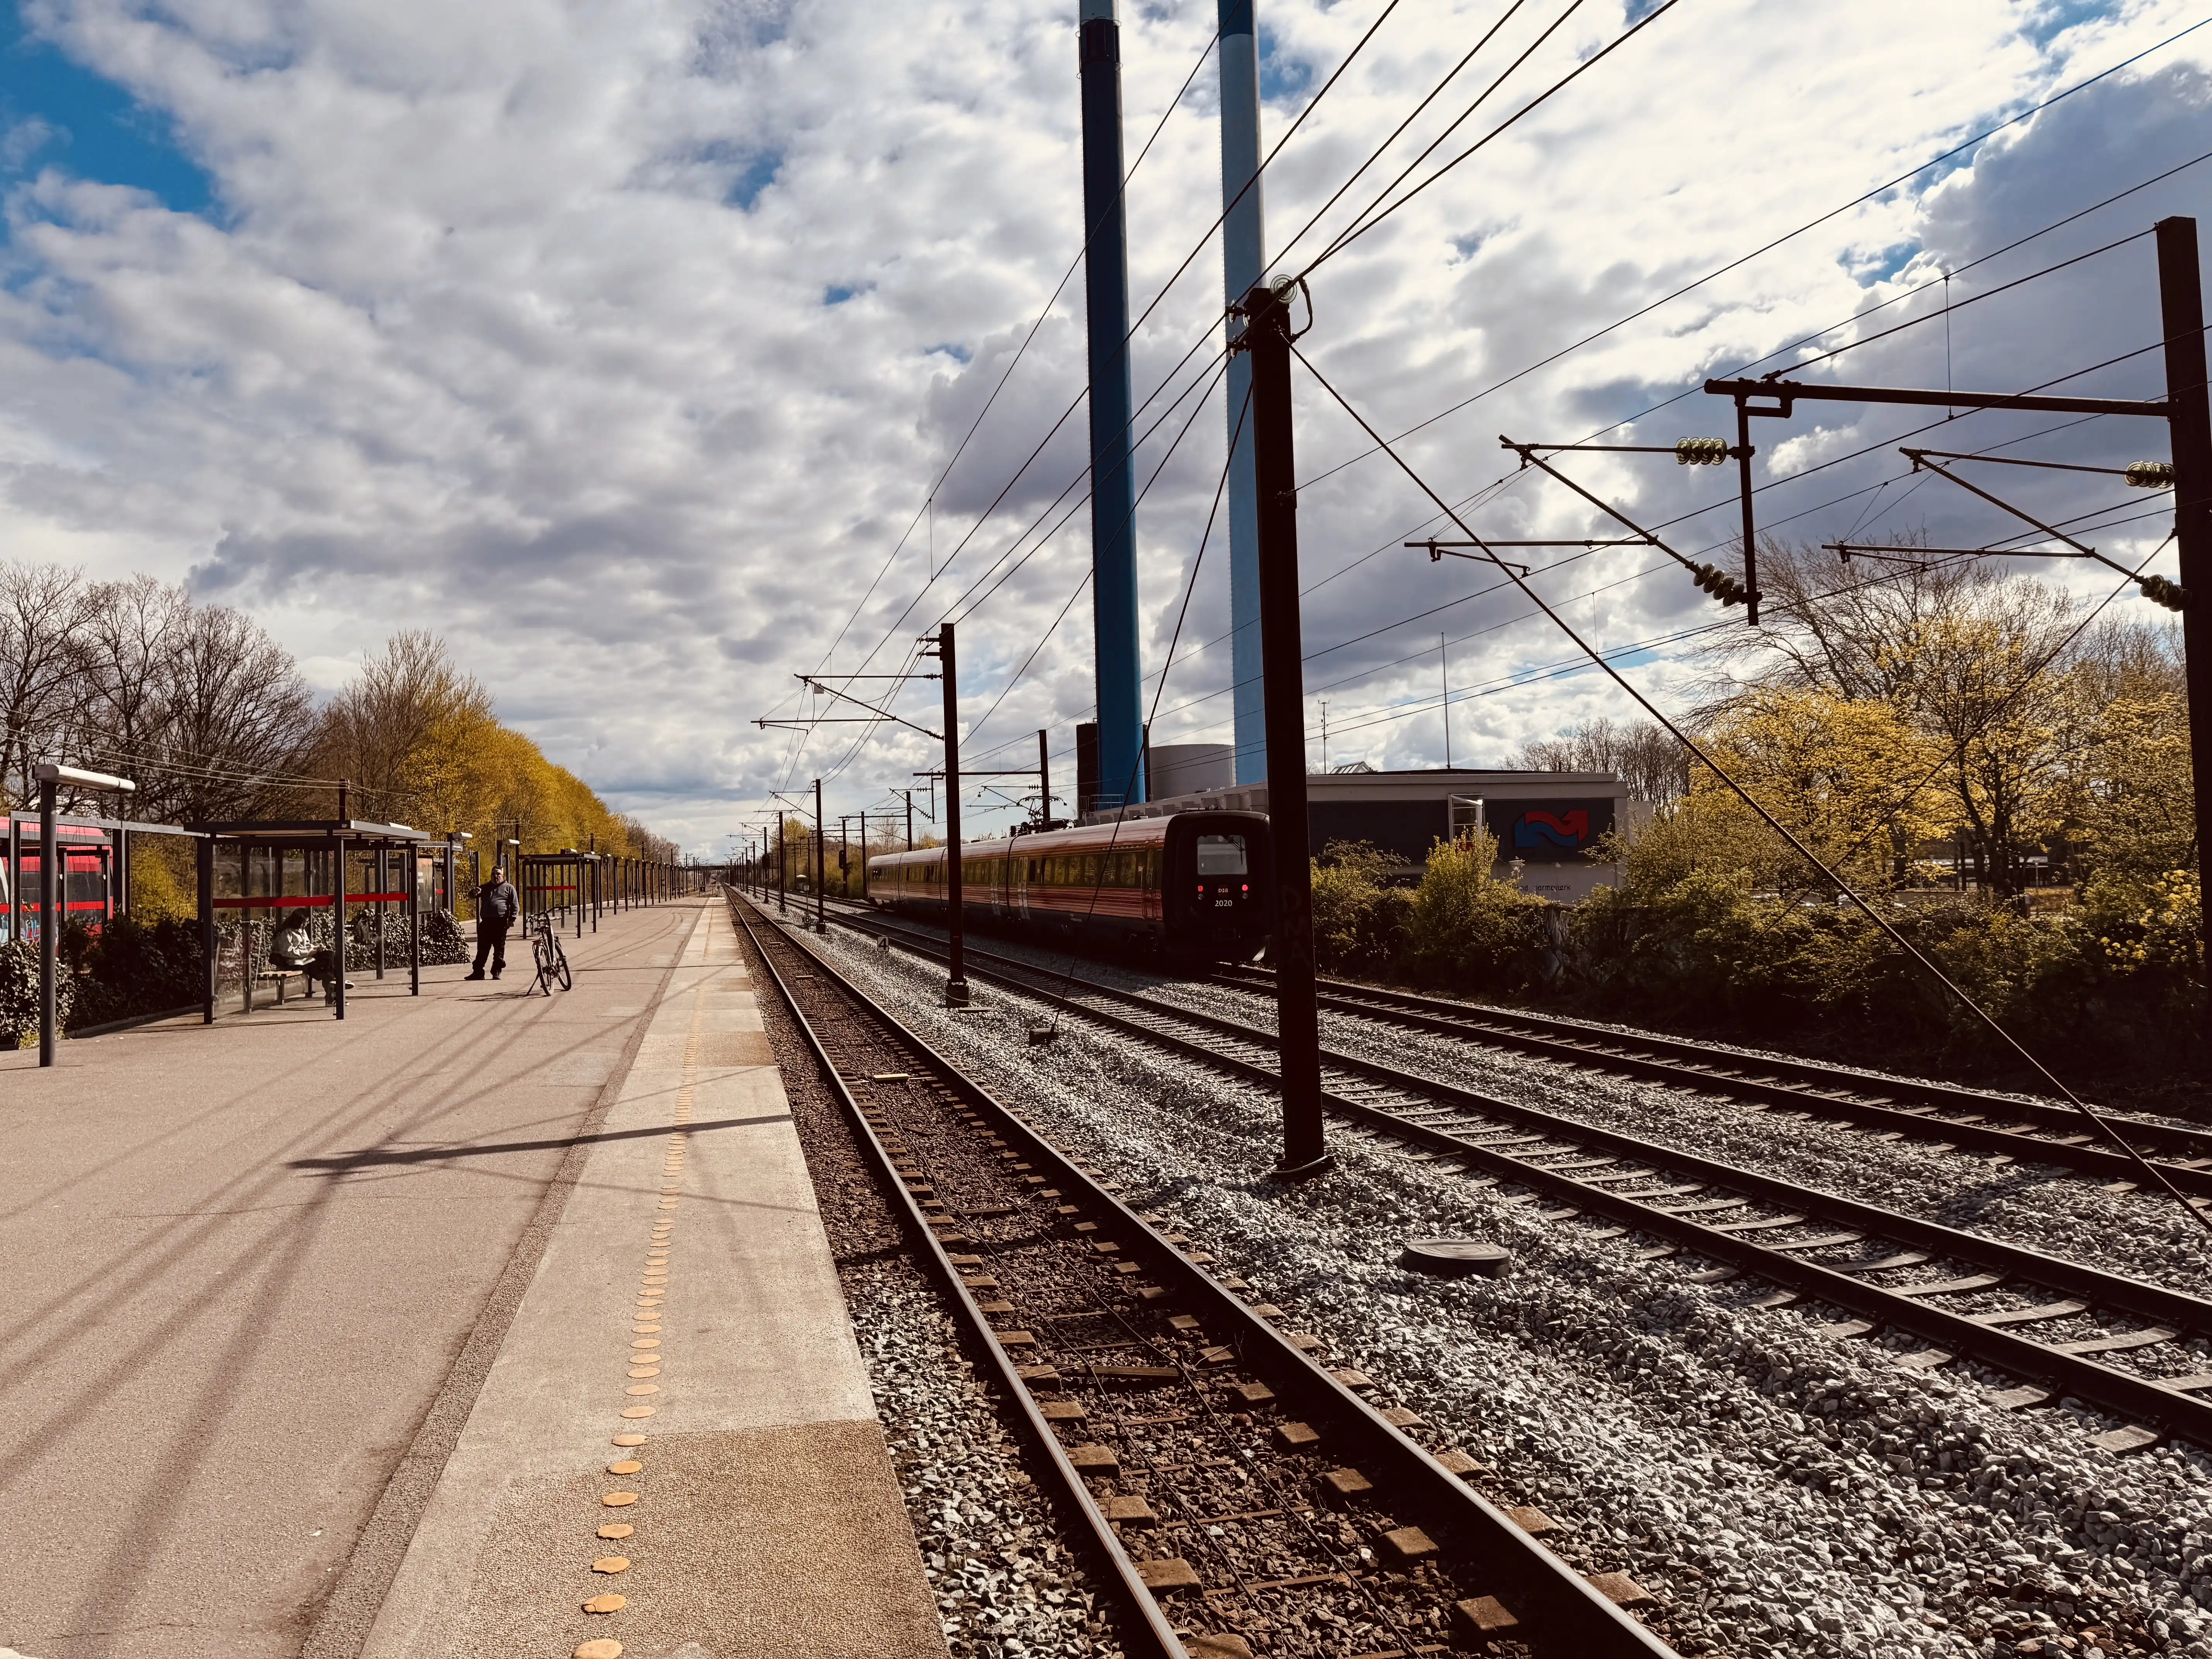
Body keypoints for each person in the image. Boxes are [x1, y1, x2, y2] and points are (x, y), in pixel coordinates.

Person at [269, 907, 349, 1003]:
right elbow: (288, 952)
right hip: (296, 963)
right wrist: (309, 953)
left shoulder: (302, 931)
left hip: (307, 959)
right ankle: (335, 986)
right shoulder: (287, 933)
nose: (306, 924)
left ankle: (334, 983)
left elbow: (306, 945)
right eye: (305, 922)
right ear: (298, 922)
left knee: (329, 954)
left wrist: (316, 948)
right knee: (326, 968)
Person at [469, 864, 520, 980]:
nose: (496, 876)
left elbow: (515, 906)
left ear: (503, 876)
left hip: (500, 923)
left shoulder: (509, 888)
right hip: (486, 923)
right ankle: (478, 973)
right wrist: (474, 892)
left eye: (498, 874)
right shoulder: (486, 887)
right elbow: (472, 895)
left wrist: (512, 920)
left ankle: (496, 971)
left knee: (499, 950)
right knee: (482, 949)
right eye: (493, 874)